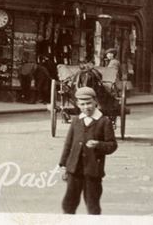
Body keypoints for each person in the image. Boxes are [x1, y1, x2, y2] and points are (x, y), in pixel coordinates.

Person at [58, 86, 117, 214]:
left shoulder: (104, 122)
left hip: (93, 170)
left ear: (95, 101)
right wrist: (64, 164)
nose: (86, 107)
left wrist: (98, 144)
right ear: (78, 105)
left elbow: (112, 145)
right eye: (82, 104)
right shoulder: (76, 121)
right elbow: (68, 143)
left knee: (92, 204)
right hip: (74, 169)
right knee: (69, 203)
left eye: (89, 103)